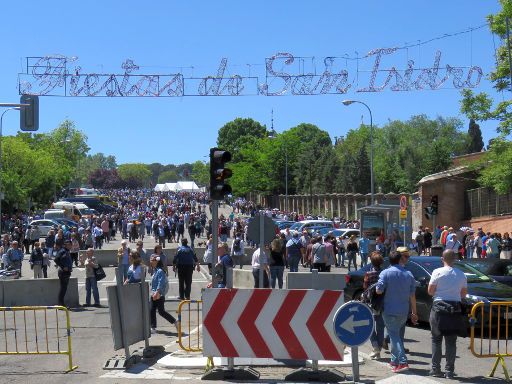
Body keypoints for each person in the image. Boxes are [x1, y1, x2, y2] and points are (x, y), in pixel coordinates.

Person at [376, 249, 418, 373]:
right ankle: (394, 361)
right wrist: (414, 312)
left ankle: (403, 362)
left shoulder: (385, 273)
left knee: (394, 336)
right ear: (400, 259)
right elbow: (412, 296)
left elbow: (379, 290)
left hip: (389, 310)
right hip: (403, 311)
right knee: (397, 336)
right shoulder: (409, 274)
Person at [427, 249, 467, 379]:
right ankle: (449, 371)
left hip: (438, 307)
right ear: (454, 259)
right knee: (451, 341)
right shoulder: (461, 274)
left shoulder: (437, 272)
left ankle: (435, 369)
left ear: (442, 259)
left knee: (436, 340)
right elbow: (463, 294)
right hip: (454, 309)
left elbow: (430, 291)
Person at [364, 251, 385, 360]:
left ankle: (375, 346)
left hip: (371, 303)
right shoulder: (384, 274)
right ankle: (379, 348)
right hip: (382, 303)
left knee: (370, 326)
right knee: (380, 326)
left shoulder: (368, 274)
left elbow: (365, 288)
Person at [149, 255, 178, 334]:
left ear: (156, 261)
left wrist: (157, 292)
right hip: (153, 293)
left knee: (161, 311)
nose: (150, 261)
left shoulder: (160, 271)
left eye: (152, 260)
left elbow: (160, 282)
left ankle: (175, 322)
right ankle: (153, 327)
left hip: (158, 294)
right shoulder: (155, 270)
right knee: (152, 310)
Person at [55, 239, 73, 307]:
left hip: (66, 272)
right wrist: (63, 267)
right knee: (63, 288)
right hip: (63, 272)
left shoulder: (66, 251)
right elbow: (56, 259)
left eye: (70, 245)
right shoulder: (63, 251)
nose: (70, 246)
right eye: (69, 245)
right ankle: (61, 304)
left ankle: (61, 304)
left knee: (64, 288)